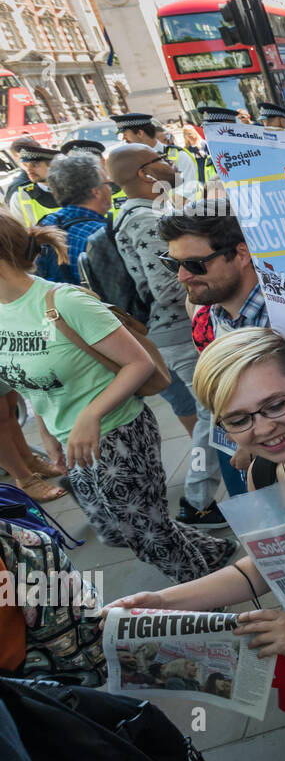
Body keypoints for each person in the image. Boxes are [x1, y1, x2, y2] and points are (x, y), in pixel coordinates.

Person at [0, 212, 233, 580]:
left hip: (118, 433)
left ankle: (212, 599)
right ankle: (216, 552)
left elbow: (138, 364)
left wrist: (91, 416)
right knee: (119, 532)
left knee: (148, 538)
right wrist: (46, 431)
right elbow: (32, 380)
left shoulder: (65, 302)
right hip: (71, 439)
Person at [102, 328, 285, 662]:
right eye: (237, 419)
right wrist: (163, 603)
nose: (262, 428)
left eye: (276, 405)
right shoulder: (262, 473)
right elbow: (270, 565)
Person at [106, 145, 227, 528]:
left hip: (172, 332)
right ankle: (197, 500)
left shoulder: (142, 212)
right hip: (177, 330)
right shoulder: (143, 219)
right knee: (213, 413)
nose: (171, 163)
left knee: (208, 412)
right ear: (145, 173)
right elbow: (170, 287)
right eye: (160, 159)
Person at [158, 203, 266, 500]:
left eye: (194, 264)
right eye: (172, 263)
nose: (181, 276)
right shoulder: (205, 308)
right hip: (230, 441)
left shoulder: (283, 319)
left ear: (241, 254)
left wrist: (253, 443)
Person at [36, 153, 109, 286]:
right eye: (107, 184)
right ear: (96, 192)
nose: (110, 189)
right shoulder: (100, 233)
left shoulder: (45, 223)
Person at [111, 112, 201, 205]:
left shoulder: (178, 155)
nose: (124, 139)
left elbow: (189, 189)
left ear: (140, 133)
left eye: (125, 134)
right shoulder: (132, 162)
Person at [8, 140, 61, 227]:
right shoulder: (19, 197)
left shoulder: (74, 188)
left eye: (35, 165)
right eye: (25, 165)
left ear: (52, 166)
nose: (29, 170)